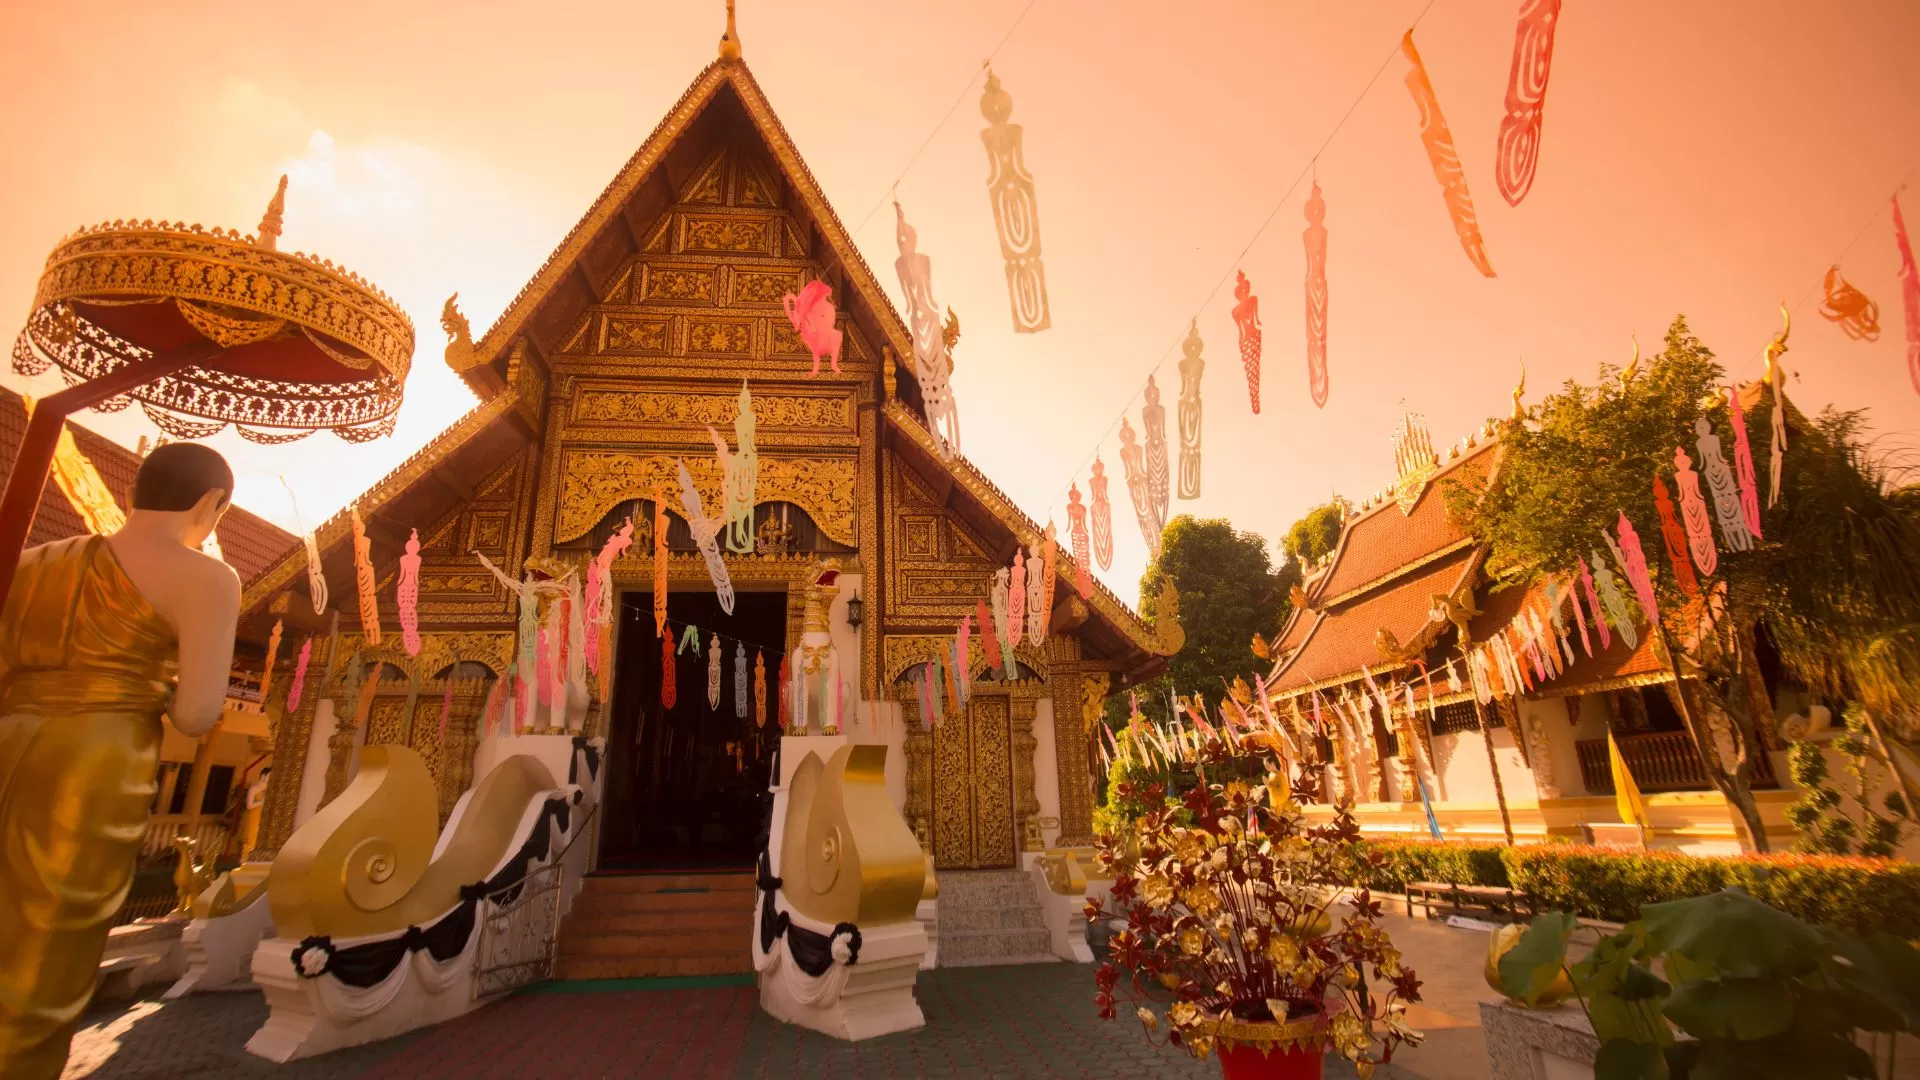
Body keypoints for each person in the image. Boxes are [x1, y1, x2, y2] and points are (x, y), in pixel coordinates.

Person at [0, 441, 240, 1079]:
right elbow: (195, 715)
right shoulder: (205, 577)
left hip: (9, 740)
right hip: (93, 758)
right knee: (47, 942)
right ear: (213, 503)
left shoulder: (30, 562)